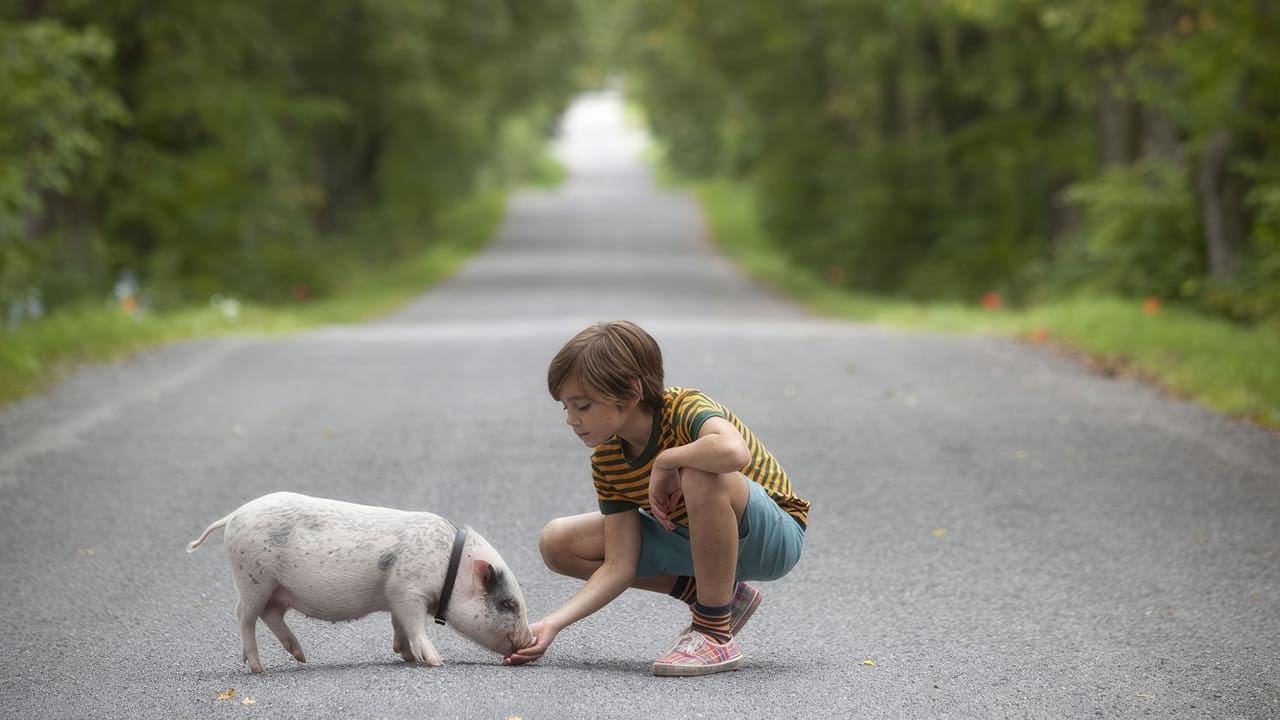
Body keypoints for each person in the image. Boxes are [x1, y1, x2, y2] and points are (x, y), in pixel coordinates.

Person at [504, 320, 810, 676]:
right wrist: (552, 624)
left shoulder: (684, 408)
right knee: (558, 542)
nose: (572, 420)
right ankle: (715, 596)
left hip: (771, 538)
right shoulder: (607, 460)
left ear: (631, 393)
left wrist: (668, 460)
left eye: (583, 405)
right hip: (695, 542)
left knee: (698, 471)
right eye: (566, 408)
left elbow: (733, 452)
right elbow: (619, 567)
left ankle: (714, 633)